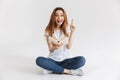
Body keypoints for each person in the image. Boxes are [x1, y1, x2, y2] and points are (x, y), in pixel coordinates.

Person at [36, 7, 86, 76]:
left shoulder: (68, 27)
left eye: (61, 15)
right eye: (57, 15)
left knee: (82, 60)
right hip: (52, 60)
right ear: (53, 17)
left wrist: (72, 32)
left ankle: (52, 69)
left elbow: (68, 47)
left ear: (64, 17)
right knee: (39, 60)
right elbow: (50, 49)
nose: (59, 18)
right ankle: (68, 71)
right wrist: (56, 47)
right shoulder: (48, 29)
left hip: (66, 60)